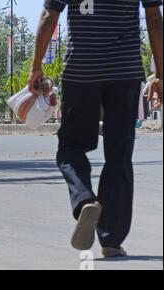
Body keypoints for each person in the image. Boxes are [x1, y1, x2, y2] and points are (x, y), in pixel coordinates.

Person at [29, 0, 163, 258]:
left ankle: (84, 200)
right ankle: (111, 240)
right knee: (119, 154)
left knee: (71, 147)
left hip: (82, 71)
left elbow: (49, 15)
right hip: (124, 73)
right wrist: (160, 74)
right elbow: (155, 19)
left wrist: (36, 66)